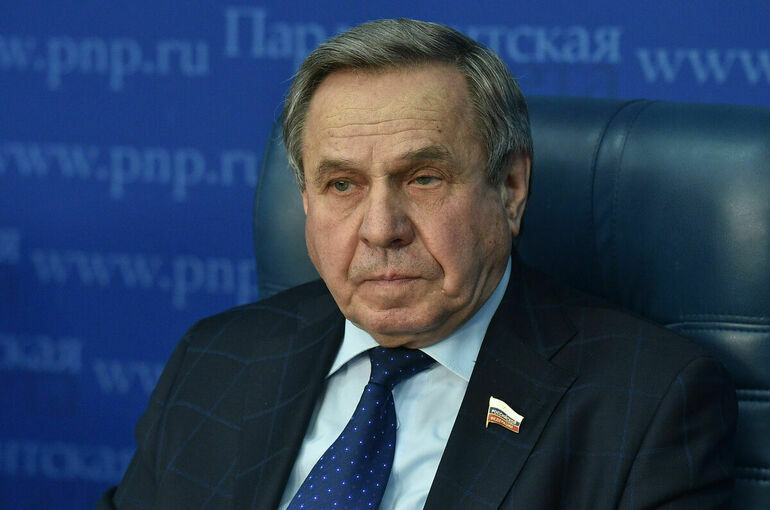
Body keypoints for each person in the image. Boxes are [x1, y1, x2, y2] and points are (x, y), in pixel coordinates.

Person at [97, 18, 736, 509]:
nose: (381, 229)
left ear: (511, 189)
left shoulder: (646, 404)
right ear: (305, 202)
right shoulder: (215, 361)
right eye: (341, 185)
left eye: (423, 178)